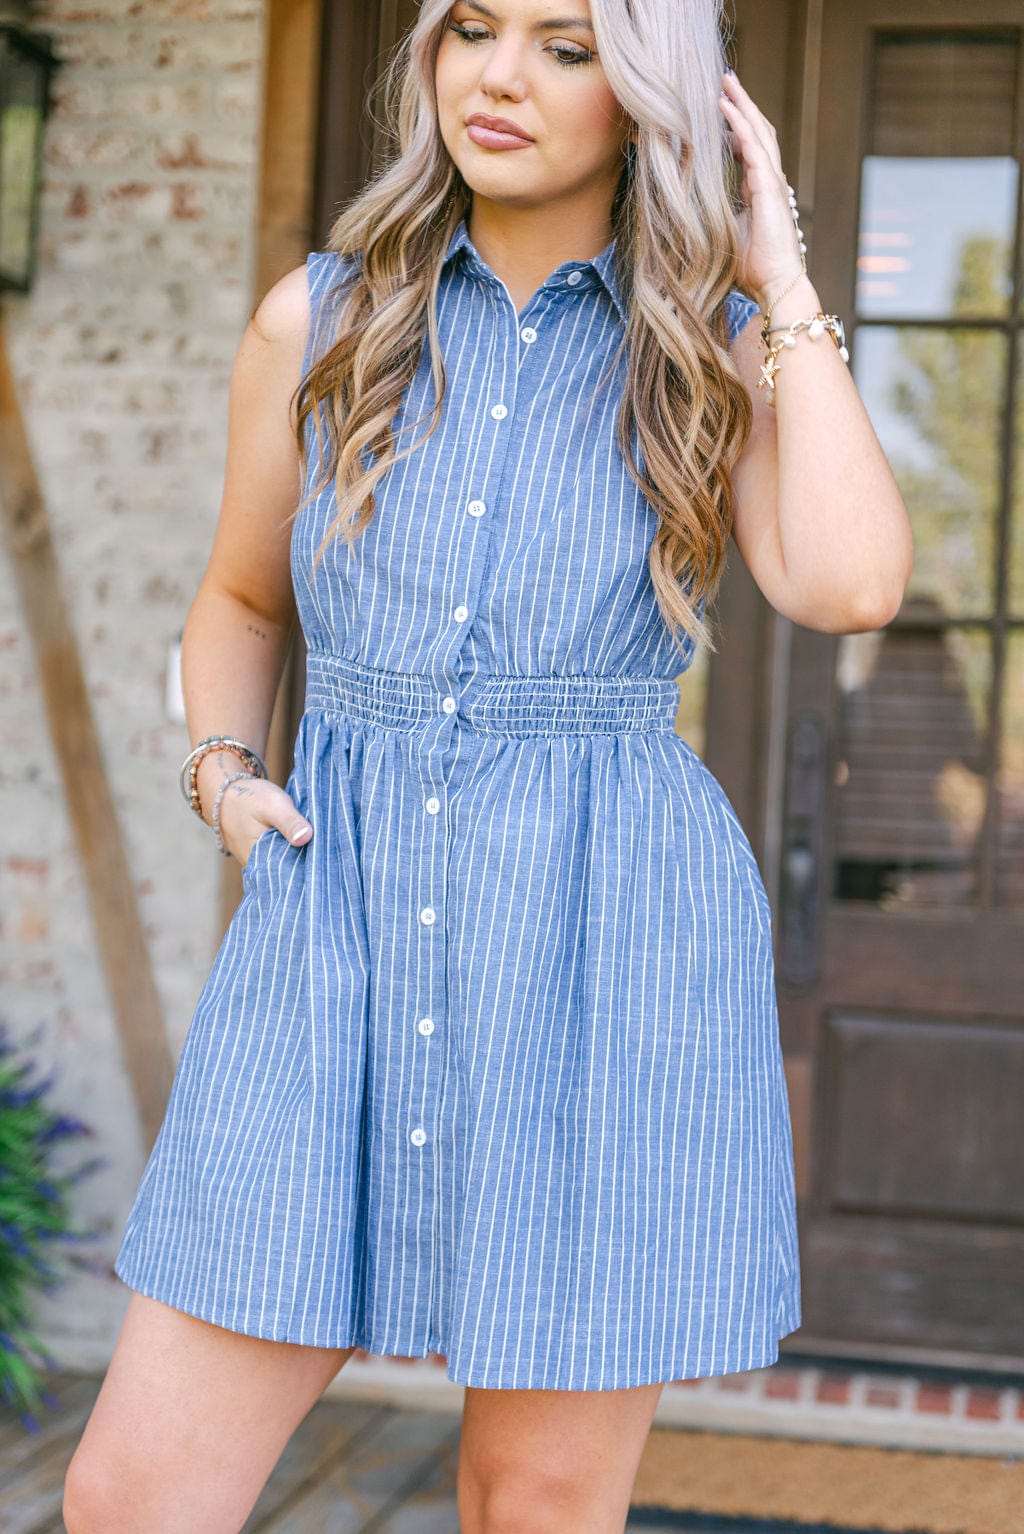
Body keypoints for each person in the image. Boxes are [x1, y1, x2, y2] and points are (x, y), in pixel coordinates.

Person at [64, 1, 912, 1530]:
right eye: (471, 29)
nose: (499, 76)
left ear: (650, 93)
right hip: (334, 929)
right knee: (134, 1494)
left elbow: (848, 582)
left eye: (567, 45)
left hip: (605, 950)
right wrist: (220, 777)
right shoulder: (317, 319)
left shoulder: (709, 354)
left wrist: (775, 271)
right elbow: (242, 596)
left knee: (531, 1503)